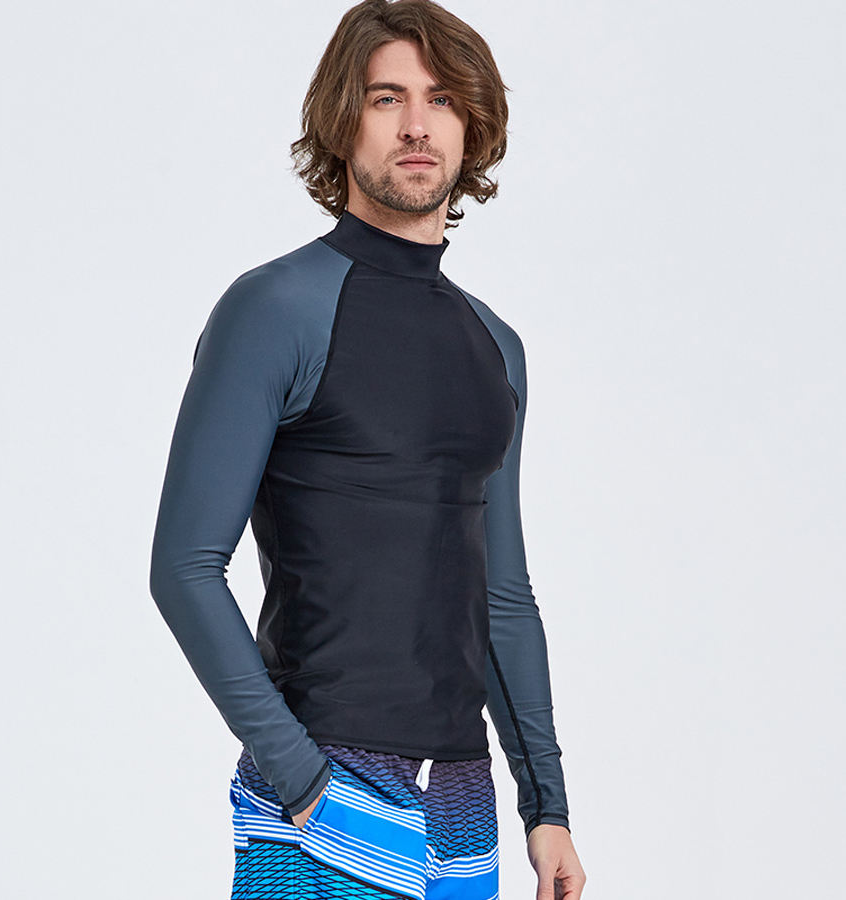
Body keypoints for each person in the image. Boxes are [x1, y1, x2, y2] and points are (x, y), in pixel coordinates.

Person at [149, 1, 586, 897]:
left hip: (462, 803)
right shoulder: (274, 310)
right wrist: (302, 779)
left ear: (472, 126)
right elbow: (184, 568)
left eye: (442, 99)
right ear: (343, 121)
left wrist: (546, 807)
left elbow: (502, 595)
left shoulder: (495, 347)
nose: (418, 125)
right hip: (320, 796)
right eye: (388, 98)